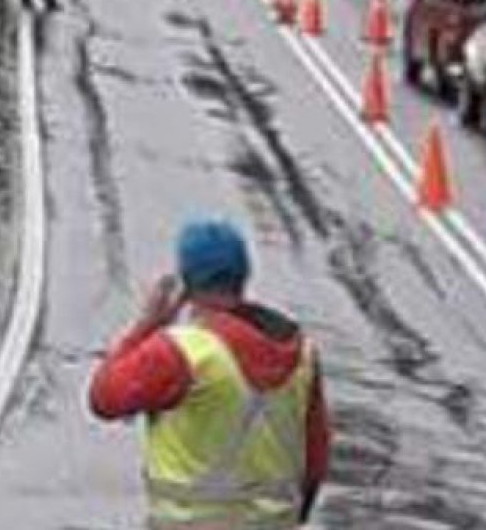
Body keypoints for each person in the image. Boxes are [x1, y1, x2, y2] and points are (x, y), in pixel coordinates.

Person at [89, 219, 331, 530]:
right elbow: (315, 454)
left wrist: (148, 324)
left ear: (186, 284)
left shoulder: (182, 352)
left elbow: (104, 398)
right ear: (243, 276)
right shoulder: (302, 353)